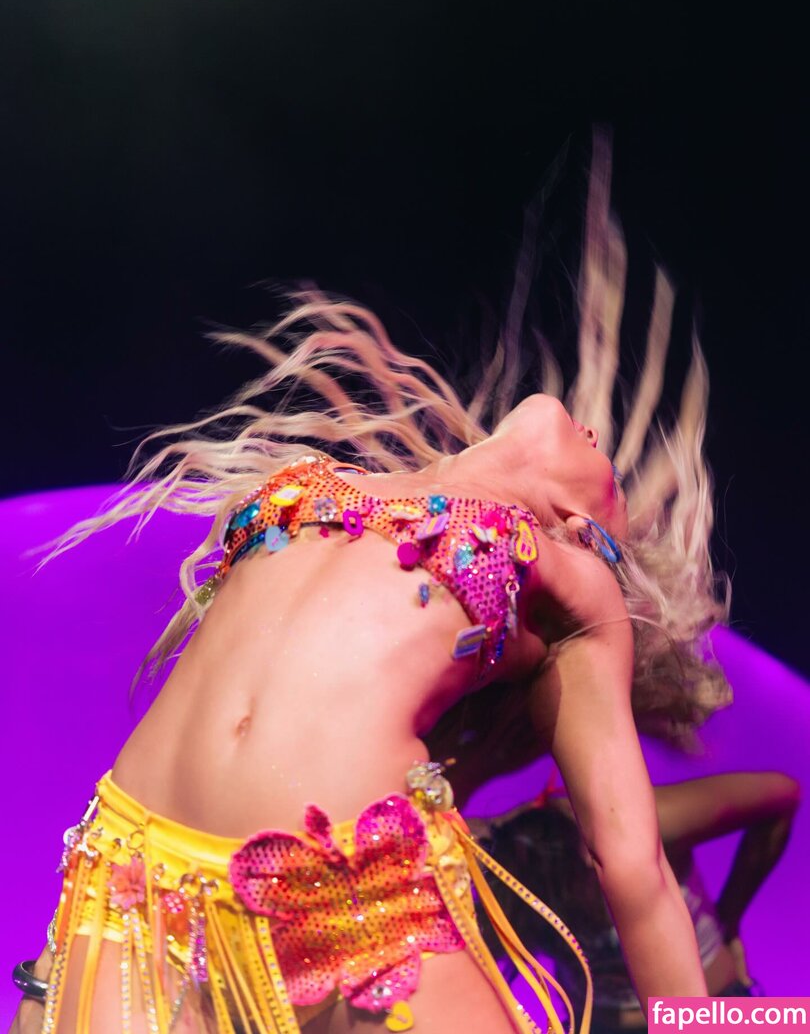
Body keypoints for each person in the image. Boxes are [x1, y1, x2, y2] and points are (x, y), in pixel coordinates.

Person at [11, 137, 731, 1034]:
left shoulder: (577, 589)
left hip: (349, 892)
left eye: (611, 483)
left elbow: (634, 869)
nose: (599, 442)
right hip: (132, 875)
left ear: (582, 530)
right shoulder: (331, 480)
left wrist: (712, 1025)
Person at [471, 771, 800, 1033]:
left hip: (710, 1013)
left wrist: (730, 916)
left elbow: (782, 794)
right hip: (601, 1024)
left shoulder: (646, 823)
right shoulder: (500, 864)